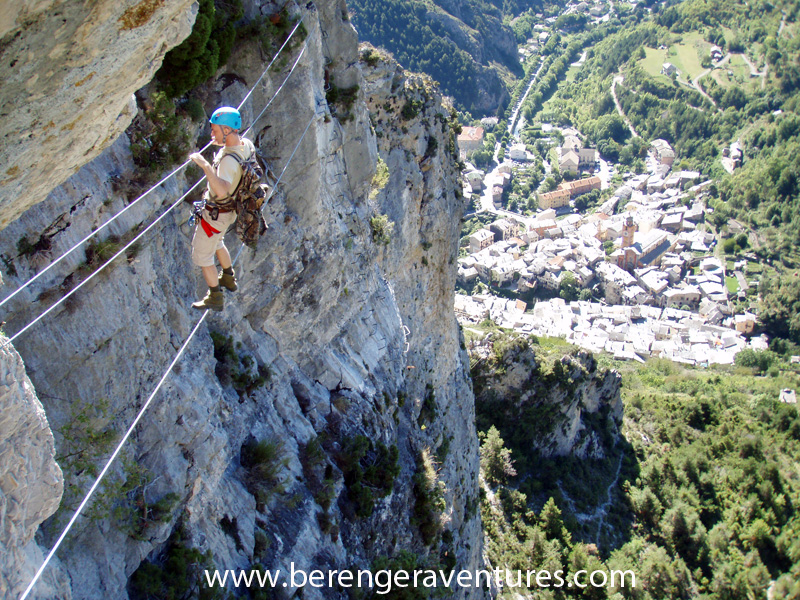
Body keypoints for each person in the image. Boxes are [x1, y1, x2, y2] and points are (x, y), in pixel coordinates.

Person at [188, 106, 255, 311]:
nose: (211, 134)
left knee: (201, 255)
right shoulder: (246, 145)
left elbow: (222, 190)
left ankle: (214, 296)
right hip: (230, 212)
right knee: (218, 242)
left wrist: (205, 166)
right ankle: (228, 277)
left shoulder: (227, 161)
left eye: (215, 130)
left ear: (227, 130)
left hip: (216, 214)